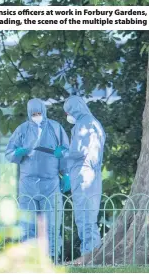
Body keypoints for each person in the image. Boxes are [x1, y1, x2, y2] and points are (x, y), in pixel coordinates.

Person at [5, 98, 70, 261]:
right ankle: (29, 260)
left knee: (53, 224)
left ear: (44, 112)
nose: (37, 116)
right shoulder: (22, 130)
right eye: (33, 114)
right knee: (28, 225)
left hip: (51, 183)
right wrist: (18, 153)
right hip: (28, 184)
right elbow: (9, 153)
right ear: (29, 113)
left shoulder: (56, 128)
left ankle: (53, 259)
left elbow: (67, 151)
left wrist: (66, 173)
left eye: (39, 113)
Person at [54, 95, 106, 255]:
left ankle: (90, 256)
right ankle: (92, 255)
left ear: (74, 109)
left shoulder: (84, 123)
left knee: (85, 218)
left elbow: (79, 150)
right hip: (90, 175)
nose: (67, 115)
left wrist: (64, 152)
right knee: (89, 217)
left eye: (68, 111)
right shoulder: (94, 123)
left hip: (84, 176)